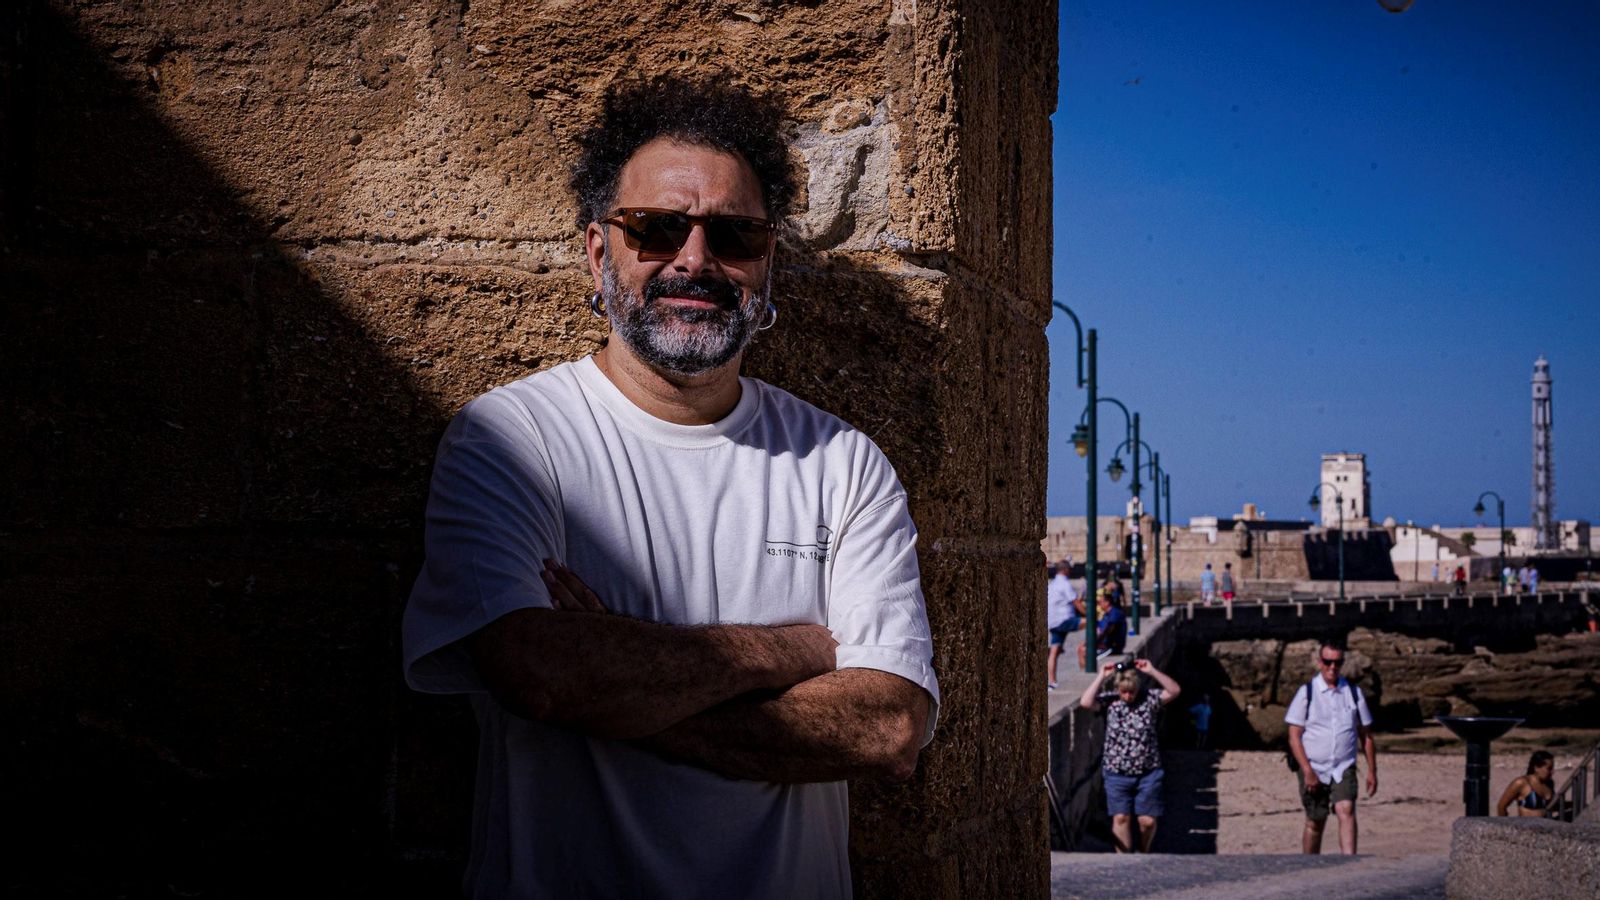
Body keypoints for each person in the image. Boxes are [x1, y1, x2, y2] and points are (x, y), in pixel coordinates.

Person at [401, 76, 940, 899]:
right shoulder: (510, 440)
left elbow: (889, 726)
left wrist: (622, 682)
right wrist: (797, 650)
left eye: (732, 234)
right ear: (597, 251)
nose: (694, 259)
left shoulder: (843, 463)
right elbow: (540, 673)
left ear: (767, 263)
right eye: (654, 228)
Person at [1079, 658, 1182, 852]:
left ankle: (1144, 850)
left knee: (1147, 821)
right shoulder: (1110, 702)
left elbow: (1174, 691)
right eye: (1124, 692)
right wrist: (1101, 675)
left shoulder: (1149, 699)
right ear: (1118, 689)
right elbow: (1085, 702)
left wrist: (1152, 671)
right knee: (1121, 817)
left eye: (1131, 692)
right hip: (1117, 771)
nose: (1127, 696)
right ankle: (1124, 860)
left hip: (1148, 771)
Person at [1285, 639, 1377, 855]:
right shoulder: (1306, 693)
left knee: (1346, 809)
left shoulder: (1353, 693)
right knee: (1316, 821)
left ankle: (1349, 863)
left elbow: (1366, 736)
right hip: (1313, 766)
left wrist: (1373, 771)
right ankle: (1308, 865)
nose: (1332, 667)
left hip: (1343, 765)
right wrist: (1307, 771)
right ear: (1320, 662)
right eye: (1328, 662)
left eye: (1337, 662)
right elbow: (1294, 736)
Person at [1047, 560, 1081, 690]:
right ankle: (1099, 648)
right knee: (1090, 624)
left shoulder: (1053, 584)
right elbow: (1076, 602)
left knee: (1054, 651)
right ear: (1066, 570)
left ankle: (1052, 681)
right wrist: (1090, 615)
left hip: (1053, 622)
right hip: (1064, 621)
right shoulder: (1064, 583)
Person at [1495, 750, 1555, 817]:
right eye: (1549, 769)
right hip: (1526, 826)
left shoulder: (1549, 783)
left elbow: (1552, 806)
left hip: (1547, 825)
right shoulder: (1521, 783)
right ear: (1536, 768)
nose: (1552, 772)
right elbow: (1501, 806)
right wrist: (1505, 824)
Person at [1078, 590, 1127, 668]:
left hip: (1112, 647)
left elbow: (1107, 631)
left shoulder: (1115, 614)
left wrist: (1094, 643)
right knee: (1081, 648)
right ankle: (1083, 672)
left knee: (1086, 652)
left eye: (1100, 602)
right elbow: (1098, 627)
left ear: (1107, 602)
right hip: (1105, 645)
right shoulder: (1106, 614)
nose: (1098, 604)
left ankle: (1087, 674)